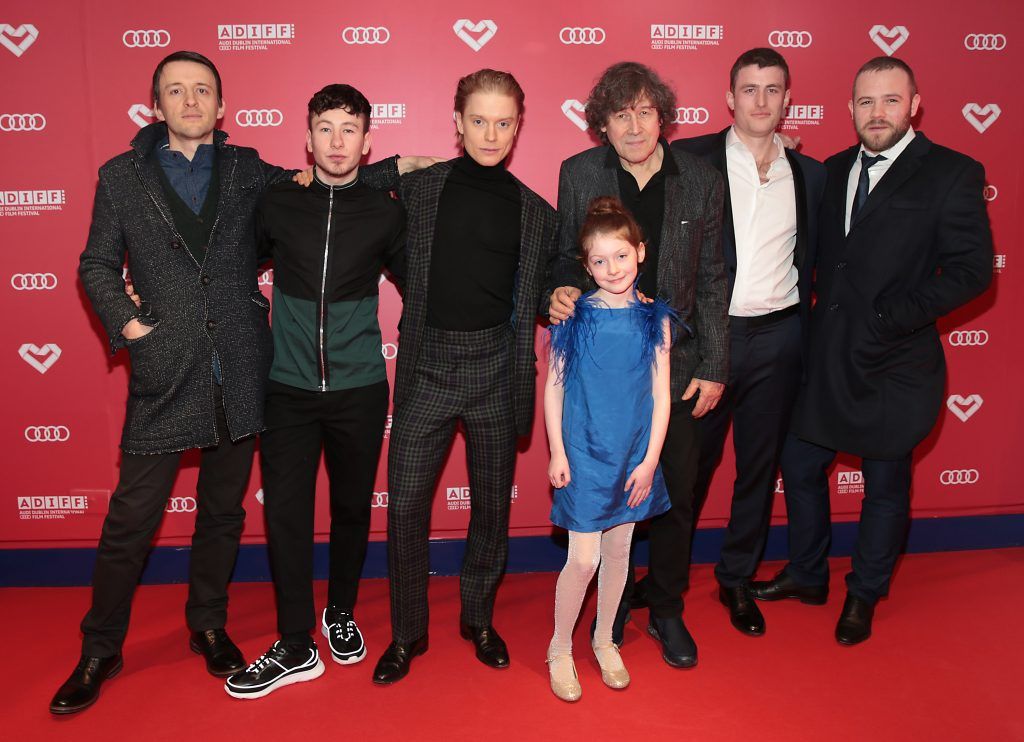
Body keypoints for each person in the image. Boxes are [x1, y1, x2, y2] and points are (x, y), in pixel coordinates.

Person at [53, 50, 288, 714]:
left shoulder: (248, 171)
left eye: (203, 90)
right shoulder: (121, 175)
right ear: (155, 106)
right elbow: (97, 263)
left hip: (241, 366)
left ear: (222, 104)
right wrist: (131, 329)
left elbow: (313, 187)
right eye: (176, 91)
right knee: (131, 520)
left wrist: (399, 169)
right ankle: (100, 647)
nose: (190, 101)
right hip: (164, 368)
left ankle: (208, 624)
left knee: (223, 512)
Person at [750, 57, 993, 644]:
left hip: (895, 360)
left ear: (914, 105)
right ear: (850, 109)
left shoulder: (951, 172)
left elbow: (971, 270)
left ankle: (864, 592)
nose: (876, 113)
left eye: (889, 100)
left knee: (886, 485)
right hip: (828, 355)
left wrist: (894, 316)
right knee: (801, 465)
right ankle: (810, 573)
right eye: (865, 102)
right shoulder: (831, 170)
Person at [370, 69, 558, 685]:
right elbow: (340, 182)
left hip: (497, 371)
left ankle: (479, 618)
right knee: (404, 509)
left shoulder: (535, 212)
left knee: (491, 510)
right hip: (426, 366)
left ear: (518, 127)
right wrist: (396, 163)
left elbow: (546, 288)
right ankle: (407, 632)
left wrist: (559, 295)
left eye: (504, 123)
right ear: (457, 122)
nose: (491, 133)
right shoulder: (419, 189)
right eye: (479, 120)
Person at [223, 84, 406, 699]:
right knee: (287, 514)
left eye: (348, 129)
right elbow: (233, 268)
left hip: (359, 388)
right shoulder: (277, 203)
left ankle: (343, 611)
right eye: (325, 128)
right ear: (307, 139)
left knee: (354, 509)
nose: (336, 141)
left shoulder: (385, 209)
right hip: (288, 388)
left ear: (367, 140)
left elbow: (419, 283)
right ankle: (297, 643)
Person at [548, 61, 727, 668]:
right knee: (604, 509)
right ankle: (609, 620)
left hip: (676, 370)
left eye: (644, 111)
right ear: (603, 121)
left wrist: (716, 363)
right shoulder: (579, 174)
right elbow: (561, 261)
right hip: (600, 379)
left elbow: (713, 276)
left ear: (662, 117)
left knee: (672, 493)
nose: (633, 124)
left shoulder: (700, 179)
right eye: (620, 113)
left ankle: (668, 611)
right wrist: (560, 293)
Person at [673, 48, 826, 636]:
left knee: (758, 469)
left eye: (773, 89)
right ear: (730, 98)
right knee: (687, 465)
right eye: (750, 89)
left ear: (787, 99)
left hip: (781, 337)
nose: (762, 100)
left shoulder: (812, 175)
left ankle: (735, 580)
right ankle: (666, 577)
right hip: (712, 338)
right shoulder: (691, 160)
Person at [544, 197, 673, 702]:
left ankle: (603, 639)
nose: (611, 268)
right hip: (584, 453)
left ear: (640, 253)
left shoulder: (654, 318)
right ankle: (559, 647)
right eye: (599, 260)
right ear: (586, 264)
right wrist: (557, 451)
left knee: (620, 552)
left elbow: (661, 395)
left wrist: (650, 460)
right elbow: (554, 388)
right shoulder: (574, 317)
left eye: (621, 256)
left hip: (633, 455)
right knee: (583, 559)